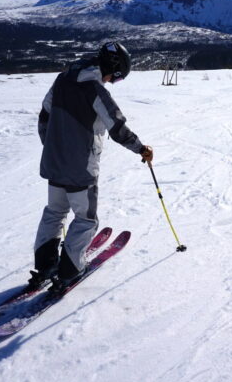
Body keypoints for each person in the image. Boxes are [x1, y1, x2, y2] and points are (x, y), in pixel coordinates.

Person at [28, 42, 153, 293]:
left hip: (55, 163)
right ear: (112, 69)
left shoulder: (62, 80)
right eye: (115, 78)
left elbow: (44, 116)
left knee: (54, 212)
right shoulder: (94, 89)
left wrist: (52, 147)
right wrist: (141, 148)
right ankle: (70, 271)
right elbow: (117, 127)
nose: (111, 82)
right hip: (81, 169)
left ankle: (46, 265)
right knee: (85, 219)